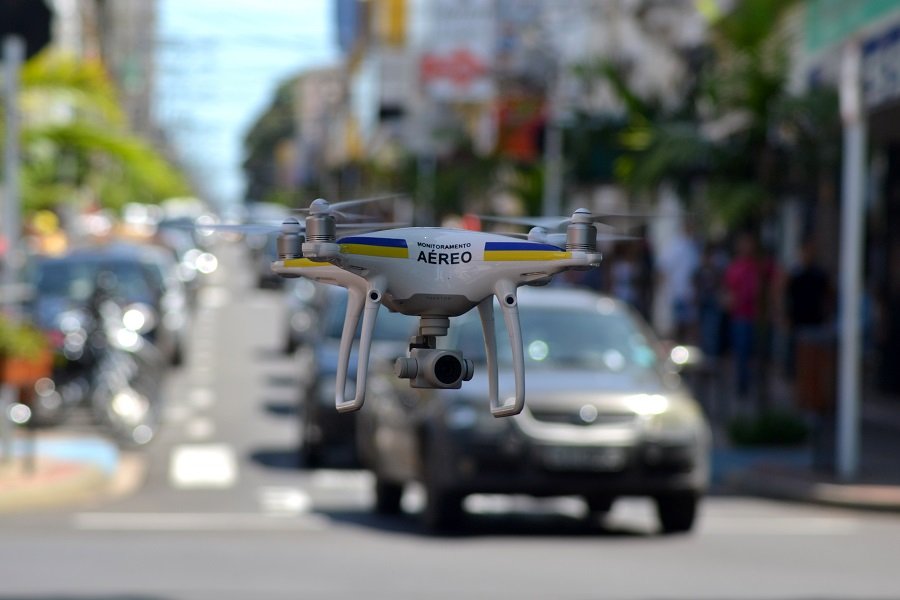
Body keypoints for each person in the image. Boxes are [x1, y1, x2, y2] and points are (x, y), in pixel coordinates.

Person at [722, 232, 772, 402]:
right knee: (742, 354)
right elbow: (727, 291)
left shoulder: (760, 266)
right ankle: (743, 387)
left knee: (758, 354)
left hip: (758, 317)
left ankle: (759, 387)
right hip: (741, 317)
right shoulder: (735, 267)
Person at [657, 223, 700, 341]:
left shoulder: (692, 246)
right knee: (679, 325)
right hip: (677, 293)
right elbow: (663, 269)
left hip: (689, 294)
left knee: (688, 325)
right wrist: (665, 293)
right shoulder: (675, 246)